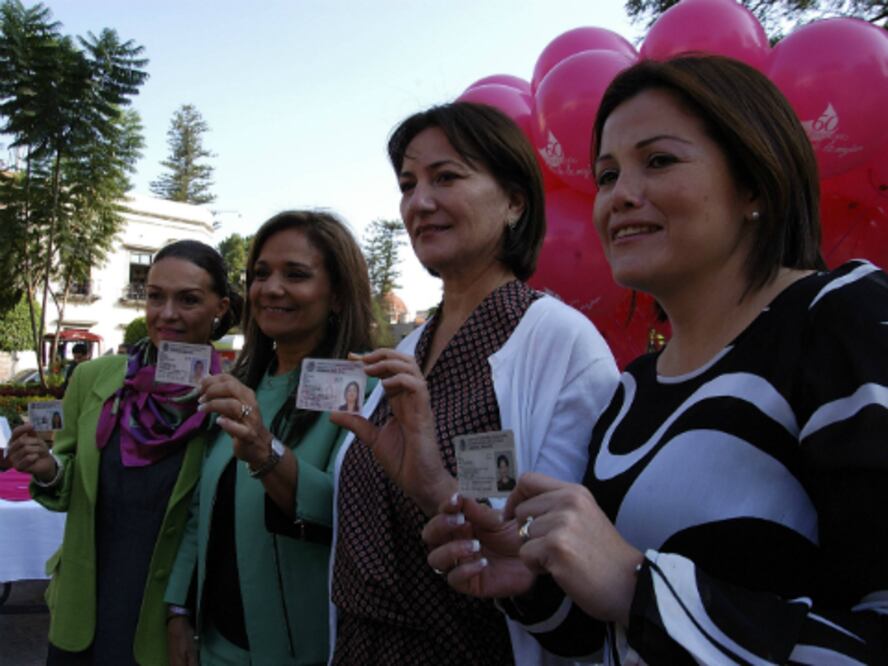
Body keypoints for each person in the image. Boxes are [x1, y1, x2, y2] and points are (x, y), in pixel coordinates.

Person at [424, 55, 888, 664]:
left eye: (659, 161)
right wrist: (533, 584)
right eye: (607, 175)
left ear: (753, 181)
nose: (621, 197)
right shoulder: (632, 391)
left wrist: (638, 587)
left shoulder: (844, 317)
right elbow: (611, 632)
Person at [328, 102, 619, 665]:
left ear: (514, 201)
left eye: (447, 177)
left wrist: (438, 486)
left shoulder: (560, 344)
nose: (420, 202)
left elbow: (561, 559)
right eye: (408, 185)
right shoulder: (408, 351)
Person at [5, 239, 240, 665]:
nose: (167, 314)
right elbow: (69, 479)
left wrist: (183, 611)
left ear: (220, 307)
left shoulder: (231, 399)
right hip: (83, 604)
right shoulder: (94, 378)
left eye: (188, 299)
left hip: (167, 617)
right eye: (155, 296)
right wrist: (47, 470)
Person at [165, 211, 375, 666]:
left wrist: (267, 451)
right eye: (260, 274)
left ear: (338, 294)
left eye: (295, 274)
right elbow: (202, 510)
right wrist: (178, 608)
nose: (271, 288)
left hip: (303, 649)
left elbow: (352, 516)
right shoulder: (240, 384)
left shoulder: (365, 390)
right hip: (216, 645)